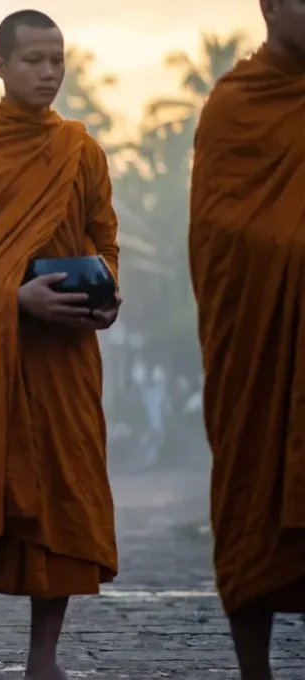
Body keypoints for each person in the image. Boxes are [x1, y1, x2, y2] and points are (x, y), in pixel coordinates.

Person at [0, 11, 121, 680]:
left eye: (57, 60)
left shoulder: (81, 149)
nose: (48, 72)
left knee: (65, 490)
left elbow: (104, 238)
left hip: (64, 353)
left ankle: (46, 654)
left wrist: (104, 292)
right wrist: (14, 296)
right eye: (33, 60)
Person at [188, 3, 305, 677]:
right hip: (254, 342)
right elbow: (219, 234)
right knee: (249, 494)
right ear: (270, 6)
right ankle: (253, 671)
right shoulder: (235, 106)